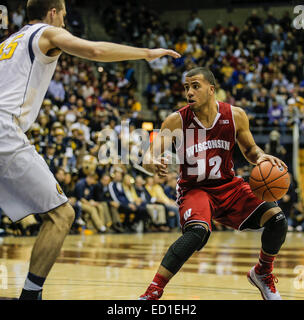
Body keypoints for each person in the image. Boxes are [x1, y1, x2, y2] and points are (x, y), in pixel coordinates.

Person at [0, 0, 180, 300]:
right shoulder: (45, 32)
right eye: (64, 17)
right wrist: (146, 53)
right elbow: (94, 50)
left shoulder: (10, 42)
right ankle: (31, 296)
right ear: (53, 12)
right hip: (5, 129)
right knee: (61, 216)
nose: (65, 24)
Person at [139, 67, 288, 300]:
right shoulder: (176, 120)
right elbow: (149, 155)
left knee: (277, 219)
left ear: (211, 89)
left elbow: (250, 149)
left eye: (195, 86)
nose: (189, 91)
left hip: (229, 186)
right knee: (196, 232)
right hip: (195, 189)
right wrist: (152, 162)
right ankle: (152, 292)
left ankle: (262, 272)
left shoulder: (235, 115)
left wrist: (260, 157)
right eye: (187, 87)